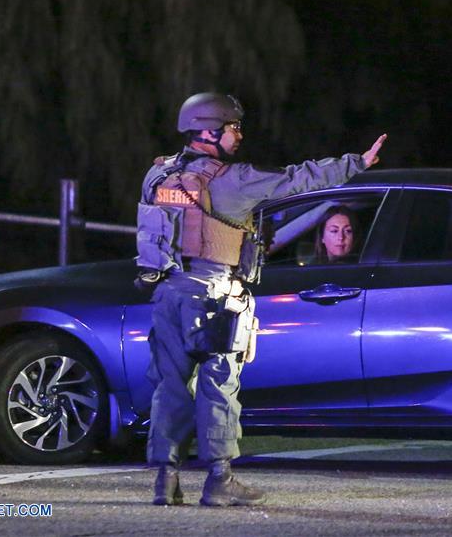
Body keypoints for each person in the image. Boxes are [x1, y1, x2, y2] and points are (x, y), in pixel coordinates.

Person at [136, 92, 387, 507]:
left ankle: (165, 479)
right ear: (208, 131)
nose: (239, 134)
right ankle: (219, 480)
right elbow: (296, 179)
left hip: (168, 292)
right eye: (232, 127)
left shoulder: (157, 174)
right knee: (219, 386)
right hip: (215, 294)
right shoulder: (232, 179)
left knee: (170, 387)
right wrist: (355, 163)